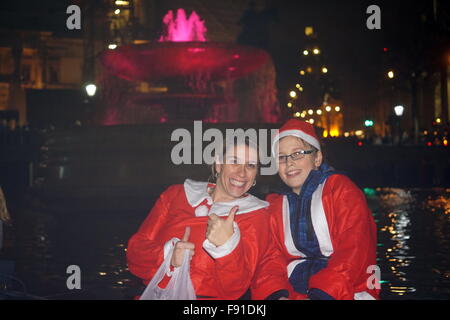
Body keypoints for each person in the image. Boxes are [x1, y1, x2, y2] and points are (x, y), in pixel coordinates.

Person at [127, 138, 290, 299]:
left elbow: (235, 288)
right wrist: (167, 256)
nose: (242, 173)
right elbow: (135, 251)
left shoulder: (257, 215)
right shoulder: (176, 194)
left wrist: (227, 247)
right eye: (234, 161)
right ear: (219, 165)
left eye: (251, 165)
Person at [267, 119, 380, 300]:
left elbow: (355, 248)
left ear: (317, 158)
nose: (289, 163)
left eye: (297, 154)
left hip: (347, 291)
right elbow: (269, 261)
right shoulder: (273, 205)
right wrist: (277, 294)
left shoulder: (342, 190)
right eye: (281, 157)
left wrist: (322, 294)